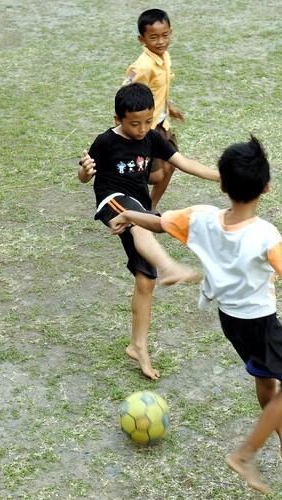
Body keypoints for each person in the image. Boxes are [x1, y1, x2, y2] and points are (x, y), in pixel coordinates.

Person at [109, 135, 282, 493]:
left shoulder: (200, 217)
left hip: (230, 322)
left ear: (221, 183)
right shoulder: (265, 235)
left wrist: (128, 213)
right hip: (260, 323)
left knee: (266, 381)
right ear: (266, 188)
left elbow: (157, 222)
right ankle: (244, 456)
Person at [78, 83, 219, 380]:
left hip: (138, 206)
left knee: (145, 279)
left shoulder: (152, 137)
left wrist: (220, 176)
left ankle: (137, 345)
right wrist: (85, 172)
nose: (142, 129)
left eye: (147, 121)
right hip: (113, 201)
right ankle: (169, 267)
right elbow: (84, 173)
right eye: (134, 124)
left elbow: (183, 163)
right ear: (117, 119)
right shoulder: (105, 142)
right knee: (141, 223)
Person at [123, 8, 183, 210]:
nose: (161, 42)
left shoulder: (165, 57)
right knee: (156, 174)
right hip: (145, 128)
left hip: (161, 124)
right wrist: (125, 129)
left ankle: (150, 207)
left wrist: (169, 107)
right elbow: (126, 96)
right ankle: (130, 195)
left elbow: (159, 88)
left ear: (171, 32)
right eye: (154, 37)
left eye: (165, 35)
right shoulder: (142, 67)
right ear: (142, 39)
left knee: (172, 165)